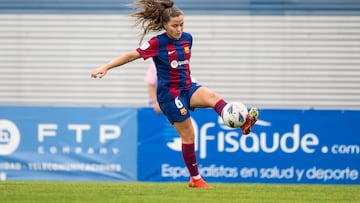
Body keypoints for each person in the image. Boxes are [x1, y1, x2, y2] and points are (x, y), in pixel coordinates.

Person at [91, 0, 259, 188]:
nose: (179, 29)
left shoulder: (188, 38)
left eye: (182, 25)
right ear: (164, 25)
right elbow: (131, 55)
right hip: (170, 96)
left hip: (188, 87)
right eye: (175, 26)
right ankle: (195, 179)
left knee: (213, 97)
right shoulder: (157, 43)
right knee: (189, 135)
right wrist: (106, 66)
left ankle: (242, 121)